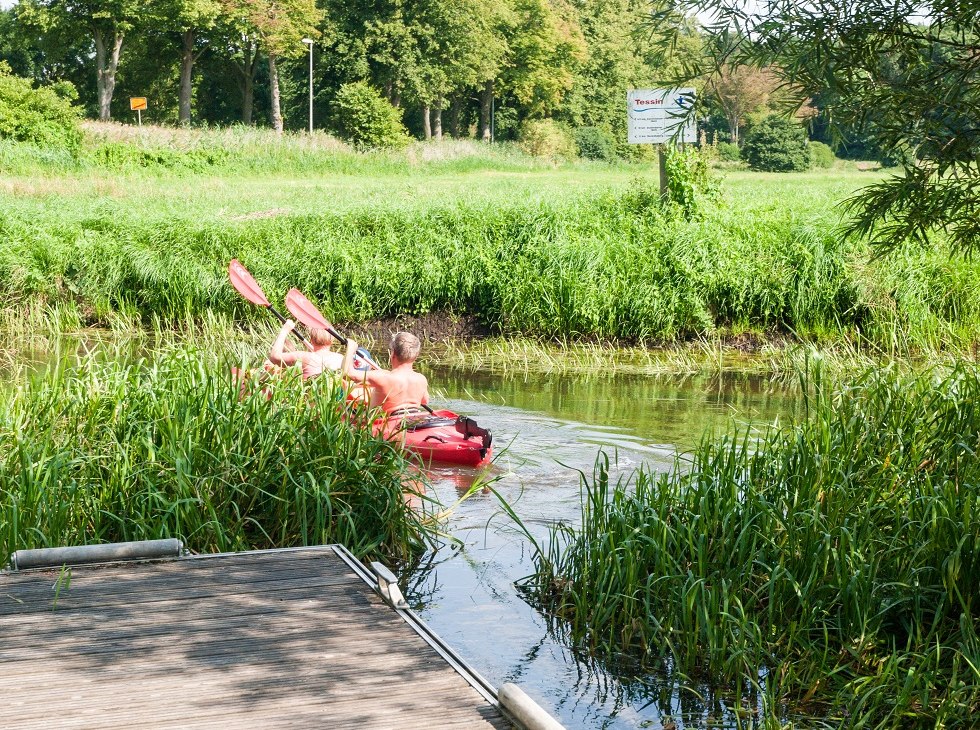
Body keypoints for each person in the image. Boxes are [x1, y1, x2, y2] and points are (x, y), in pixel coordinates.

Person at [344, 331, 429, 414]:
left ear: (393, 354)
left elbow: (348, 373)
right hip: (414, 418)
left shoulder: (382, 376)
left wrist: (350, 349)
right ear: (415, 356)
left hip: (386, 421)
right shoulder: (421, 379)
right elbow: (424, 401)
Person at [266, 319, 343, 380]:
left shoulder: (304, 357)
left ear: (311, 340)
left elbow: (274, 357)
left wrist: (284, 330)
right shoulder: (341, 358)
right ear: (332, 339)